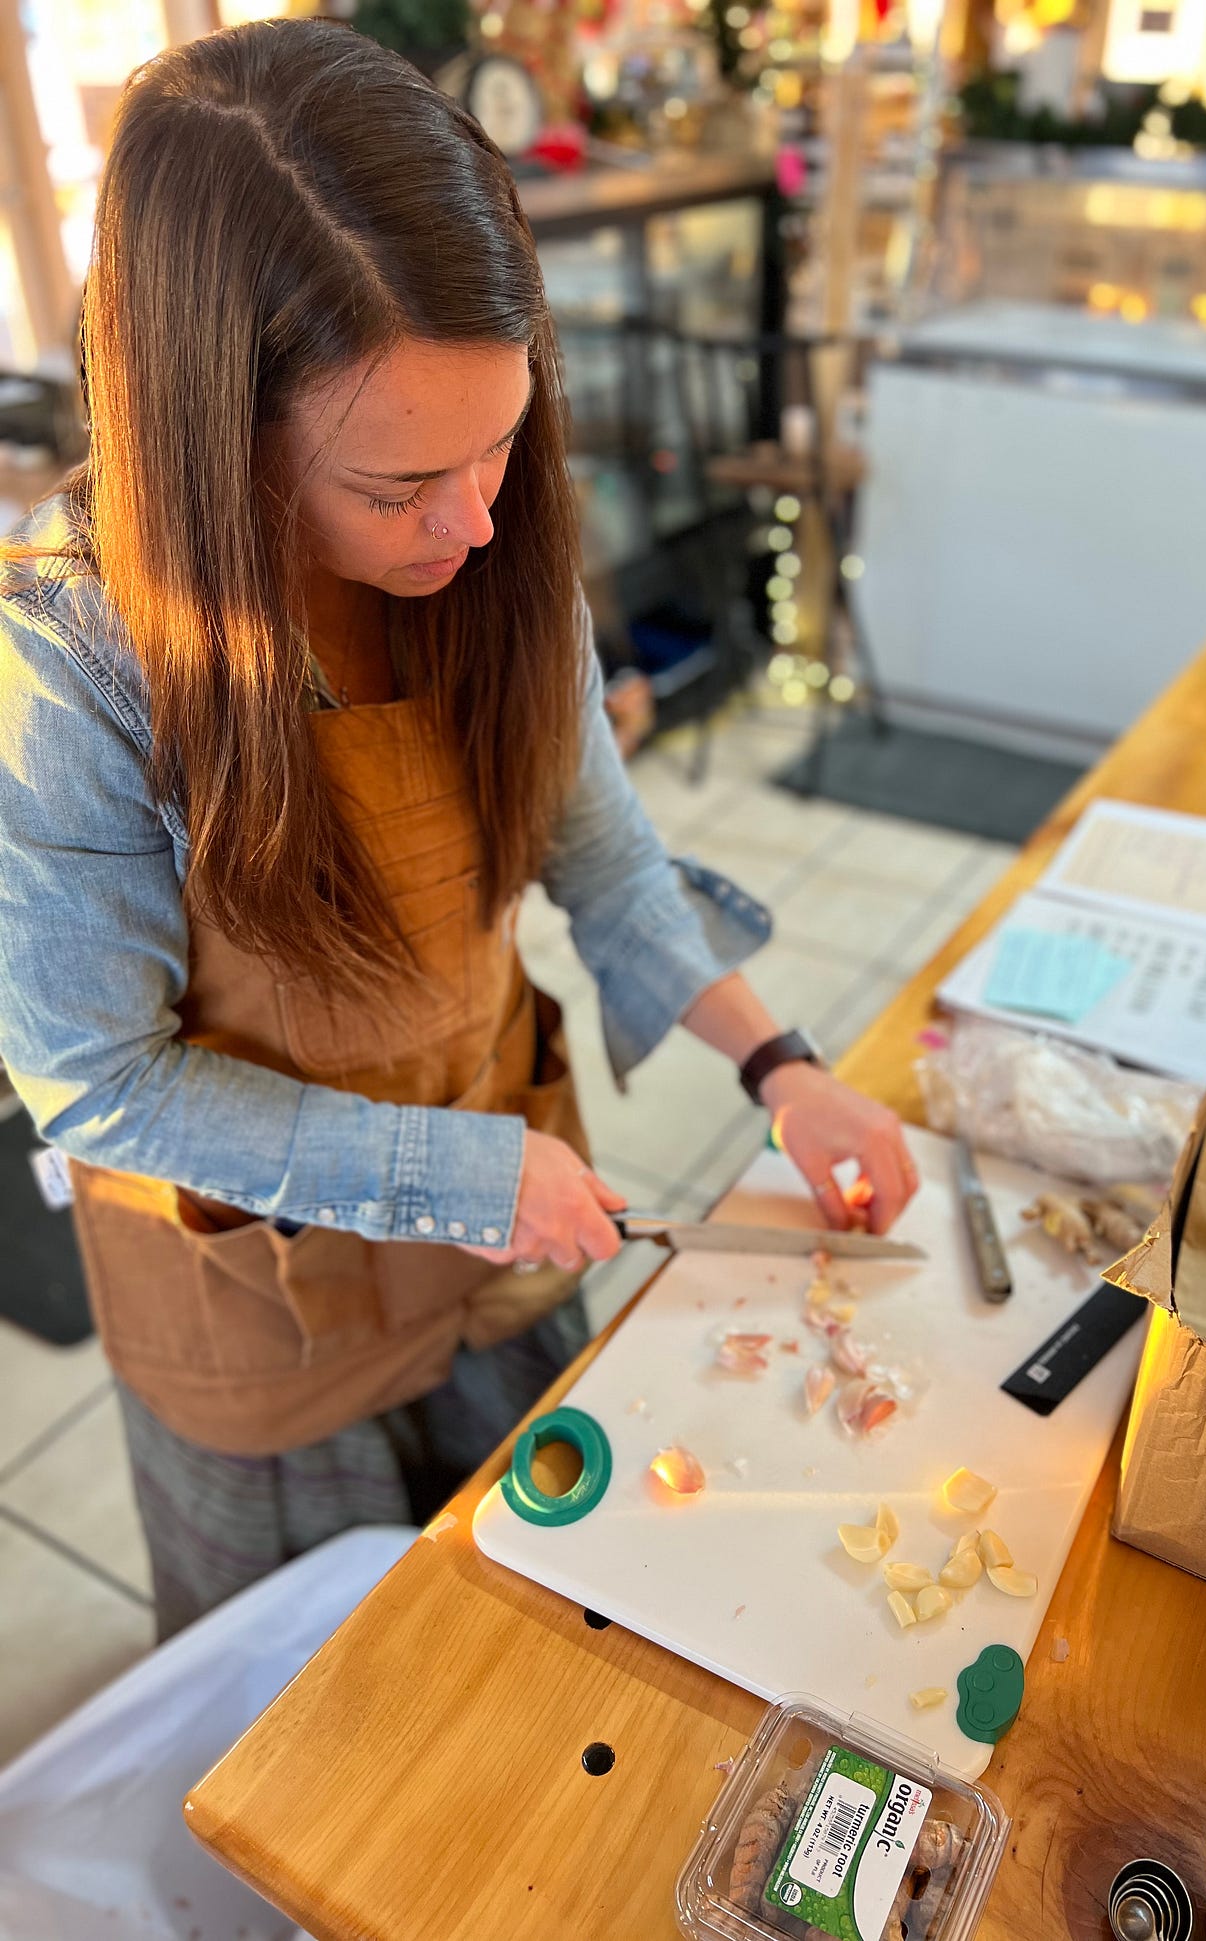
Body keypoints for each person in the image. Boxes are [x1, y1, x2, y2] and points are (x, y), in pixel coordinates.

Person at [0, 18, 919, 1640]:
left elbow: (606, 859)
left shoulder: (489, 557)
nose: (478, 520)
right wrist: (452, 1174)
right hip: (262, 1309)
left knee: (553, 1623)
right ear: (218, 435)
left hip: (504, 1228)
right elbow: (96, 1078)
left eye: (500, 441)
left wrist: (784, 1067)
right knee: (317, 1696)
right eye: (399, 482)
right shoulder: (74, 659)